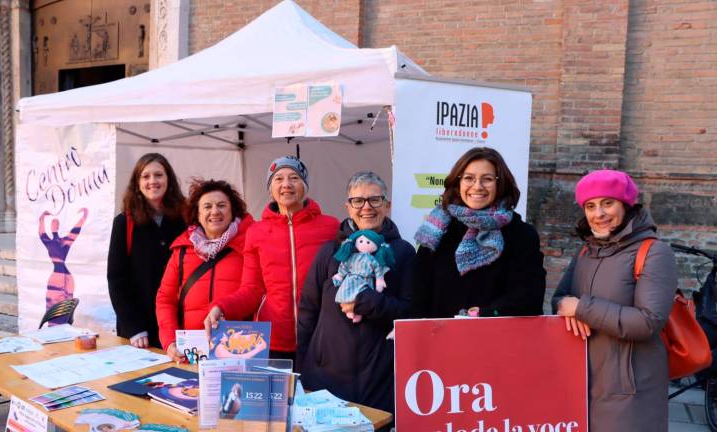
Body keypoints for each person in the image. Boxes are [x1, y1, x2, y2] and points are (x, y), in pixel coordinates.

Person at [552, 169, 677, 431]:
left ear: (626, 205)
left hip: (630, 393)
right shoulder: (586, 250)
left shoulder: (654, 252)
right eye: (590, 206)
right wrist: (565, 306)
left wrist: (582, 308)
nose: (599, 214)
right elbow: (562, 298)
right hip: (582, 381)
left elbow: (648, 321)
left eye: (608, 203)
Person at [297, 171, 414, 413]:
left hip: (379, 380)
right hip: (324, 377)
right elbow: (308, 311)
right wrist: (302, 369)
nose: (366, 208)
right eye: (358, 201)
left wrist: (367, 301)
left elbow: (412, 313)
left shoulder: (403, 253)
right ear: (348, 207)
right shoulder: (330, 252)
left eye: (374, 200)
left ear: (387, 205)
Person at [205, 156, 338, 359]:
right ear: (270, 189)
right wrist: (220, 307)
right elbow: (251, 290)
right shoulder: (256, 232)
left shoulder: (330, 227)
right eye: (278, 179)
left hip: (321, 338)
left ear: (305, 185)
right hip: (273, 341)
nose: (286, 184)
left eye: (294, 177)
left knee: (315, 392)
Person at [412, 147, 545, 318]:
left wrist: (485, 314)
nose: (477, 186)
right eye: (469, 178)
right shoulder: (437, 228)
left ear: (500, 183)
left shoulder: (521, 234)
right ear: (458, 182)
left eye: (487, 179)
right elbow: (418, 292)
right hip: (440, 338)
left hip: (498, 338)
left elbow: (530, 297)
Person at [156, 179, 254, 362]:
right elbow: (165, 299)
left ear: (233, 211)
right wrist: (169, 341)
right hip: (190, 355)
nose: (214, 211)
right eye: (207, 206)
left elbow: (254, 294)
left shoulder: (249, 246)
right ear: (198, 214)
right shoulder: (182, 251)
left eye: (222, 205)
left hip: (237, 352)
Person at [107, 153, 186, 349]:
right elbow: (117, 280)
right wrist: (133, 326)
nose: (153, 181)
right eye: (145, 176)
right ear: (137, 183)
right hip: (140, 331)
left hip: (180, 324)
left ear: (169, 179)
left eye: (158, 175)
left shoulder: (185, 217)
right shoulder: (124, 223)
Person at [39, 207, 88, 321]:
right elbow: (41, 232)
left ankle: (65, 325)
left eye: (56, 224)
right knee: (54, 303)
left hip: (64, 276)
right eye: (53, 224)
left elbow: (75, 230)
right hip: (58, 276)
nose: (54, 226)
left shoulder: (63, 241)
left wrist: (83, 217)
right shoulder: (51, 242)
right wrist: (42, 219)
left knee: (67, 304)